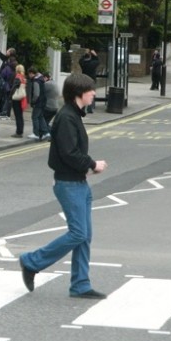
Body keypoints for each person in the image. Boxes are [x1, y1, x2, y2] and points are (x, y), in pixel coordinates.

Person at [19, 73, 108, 299]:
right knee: (78, 233)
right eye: (91, 90)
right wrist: (92, 163)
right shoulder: (67, 118)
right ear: (79, 93)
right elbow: (69, 153)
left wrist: (88, 167)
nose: (94, 93)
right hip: (69, 185)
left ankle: (80, 284)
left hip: (78, 183)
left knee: (85, 235)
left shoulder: (73, 115)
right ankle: (31, 261)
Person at [27, 67, 49, 141]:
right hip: (43, 102)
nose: (29, 76)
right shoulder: (41, 79)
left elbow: (36, 94)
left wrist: (33, 101)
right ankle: (46, 133)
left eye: (29, 74)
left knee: (34, 117)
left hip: (38, 102)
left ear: (31, 73)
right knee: (40, 117)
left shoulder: (36, 81)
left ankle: (36, 134)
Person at [9, 64, 28, 138]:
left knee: (18, 116)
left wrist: (10, 96)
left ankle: (18, 132)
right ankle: (21, 131)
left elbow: (14, 88)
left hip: (16, 98)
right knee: (20, 115)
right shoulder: (23, 78)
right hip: (22, 98)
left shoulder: (17, 77)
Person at [79, 49, 99, 114]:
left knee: (84, 93)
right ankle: (90, 109)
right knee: (91, 94)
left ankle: (82, 108)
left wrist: (85, 54)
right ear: (90, 56)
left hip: (84, 80)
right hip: (92, 80)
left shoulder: (83, 63)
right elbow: (97, 61)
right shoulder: (93, 63)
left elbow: (80, 60)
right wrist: (94, 55)